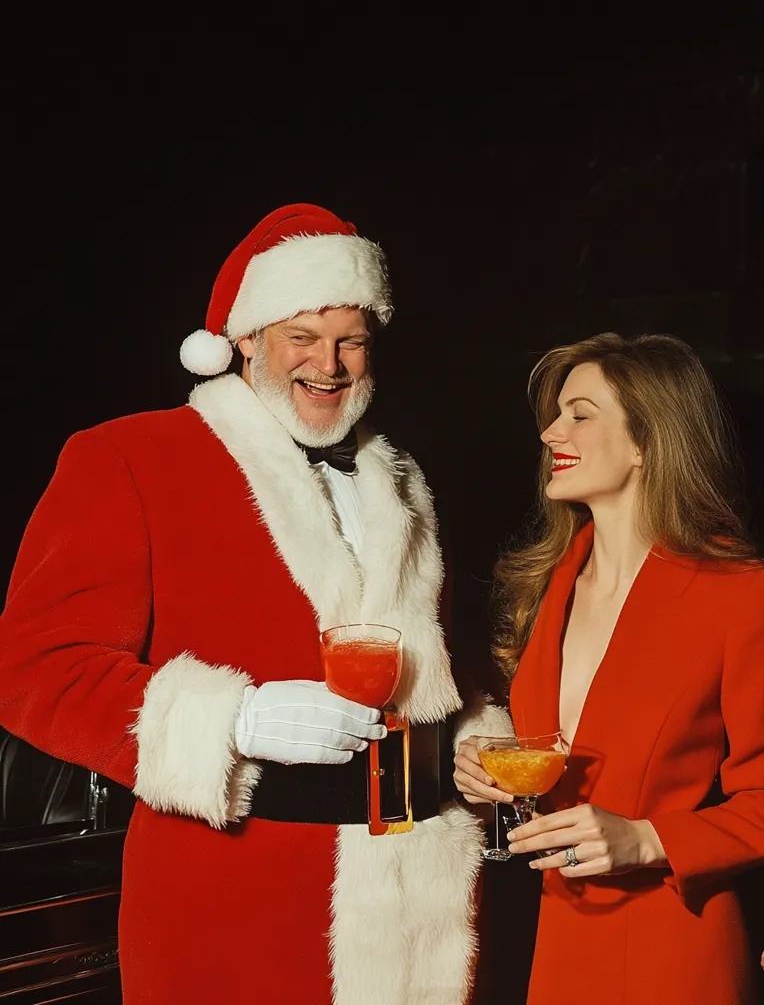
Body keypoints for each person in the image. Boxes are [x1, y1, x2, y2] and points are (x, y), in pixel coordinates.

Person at [0, 203, 512, 1005]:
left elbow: (445, 659)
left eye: (351, 340)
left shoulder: (401, 476)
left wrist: (476, 732)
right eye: (302, 338)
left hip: (422, 895)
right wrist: (234, 720)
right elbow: (34, 669)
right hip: (230, 891)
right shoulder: (128, 457)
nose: (329, 364)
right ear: (244, 341)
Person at [454, 332, 764, 1004]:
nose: (549, 431)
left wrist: (650, 838)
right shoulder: (550, 584)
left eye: (580, 413)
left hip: (677, 949)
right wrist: (492, 774)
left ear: (647, 440)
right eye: (557, 412)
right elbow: (559, 760)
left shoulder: (738, 593)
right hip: (558, 942)